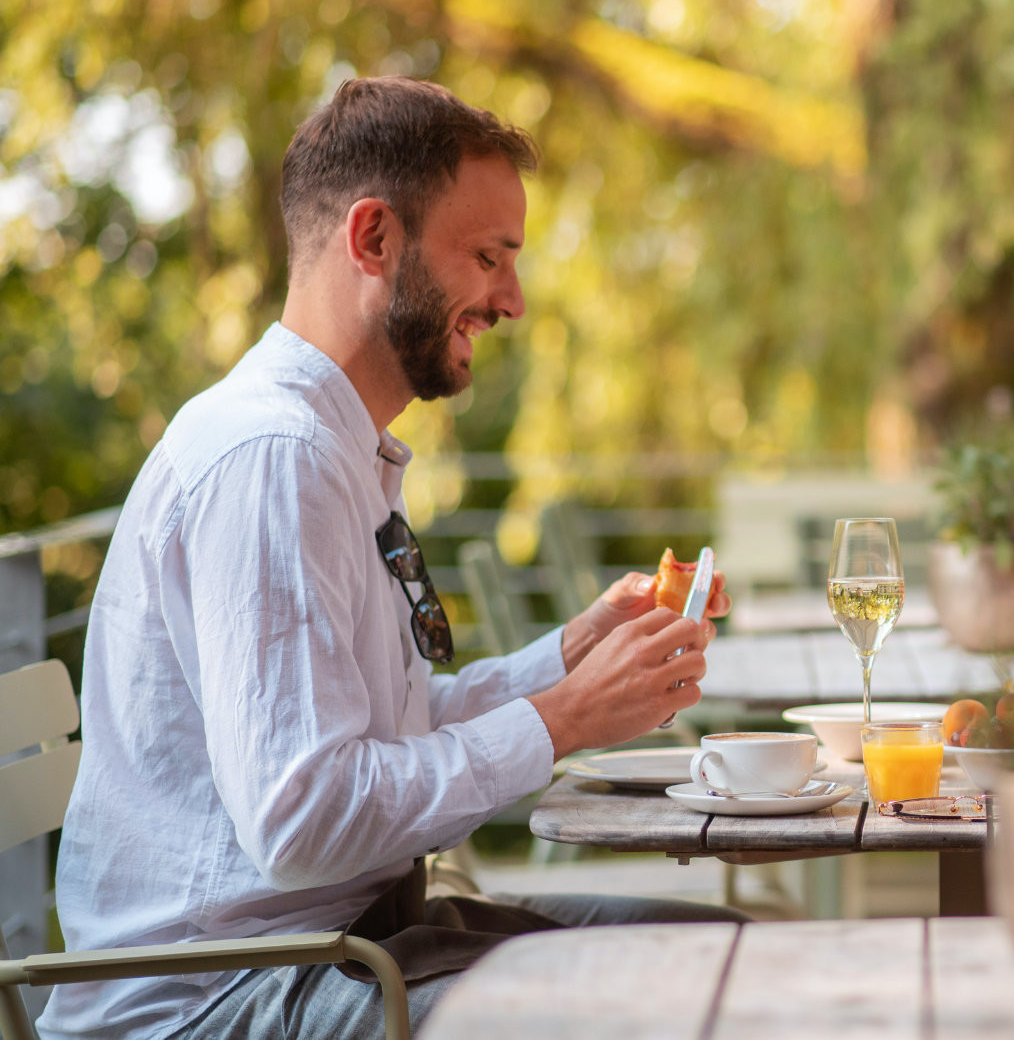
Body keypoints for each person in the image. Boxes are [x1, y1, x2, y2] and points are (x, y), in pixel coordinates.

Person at [42, 77, 745, 1040]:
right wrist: (562, 719)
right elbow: (305, 821)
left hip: (342, 946)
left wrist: (569, 661)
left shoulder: (334, 449)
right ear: (375, 238)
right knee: (712, 1004)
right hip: (218, 995)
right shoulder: (273, 459)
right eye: (487, 256)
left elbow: (376, 738)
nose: (513, 299)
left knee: (738, 959)